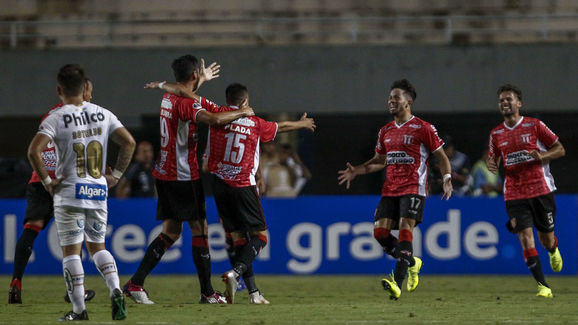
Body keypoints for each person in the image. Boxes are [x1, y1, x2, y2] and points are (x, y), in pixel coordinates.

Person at [147, 81, 315, 304]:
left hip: (219, 186)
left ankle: (254, 293)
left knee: (238, 238)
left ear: (228, 100)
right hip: (243, 186)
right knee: (260, 237)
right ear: (245, 101)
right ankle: (235, 273)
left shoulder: (216, 112)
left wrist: (163, 85)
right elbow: (280, 126)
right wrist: (301, 124)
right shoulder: (255, 123)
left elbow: (186, 93)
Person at [122, 55, 254, 305]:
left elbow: (187, 94)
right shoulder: (186, 103)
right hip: (183, 175)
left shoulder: (169, 97)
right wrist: (241, 112)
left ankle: (135, 283)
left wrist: (199, 81)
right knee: (200, 231)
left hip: (165, 172)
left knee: (170, 232)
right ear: (193, 75)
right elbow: (214, 120)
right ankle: (207, 292)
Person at [27, 64, 135, 320]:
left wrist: (46, 182)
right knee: (98, 246)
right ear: (85, 88)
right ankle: (116, 289)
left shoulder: (56, 117)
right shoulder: (103, 114)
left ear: (59, 89)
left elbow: (34, 151)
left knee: (71, 251)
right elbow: (129, 142)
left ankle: (79, 310)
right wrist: (116, 177)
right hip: (98, 189)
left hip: (70, 191)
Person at [338, 79, 452, 301]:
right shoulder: (385, 131)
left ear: (408, 101)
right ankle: (412, 262)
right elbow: (379, 160)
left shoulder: (423, 128)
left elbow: (442, 157)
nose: (391, 101)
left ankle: (396, 283)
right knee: (380, 234)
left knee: (404, 228)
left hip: (414, 187)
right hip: (390, 189)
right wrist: (357, 171)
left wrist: (447, 178)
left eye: (396, 97)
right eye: (390, 98)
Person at [9, 78, 96, 305]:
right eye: (89, 91)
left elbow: (38, 148)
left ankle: (15, 283)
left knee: (32, 230)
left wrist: (45, 177)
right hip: (64, 182)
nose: (91, 96)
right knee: (73, 237)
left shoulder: (51, 114)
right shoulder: (82, 116)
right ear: (80, 91)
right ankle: (75, 291)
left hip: (40, 179)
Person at [486, 84, 565, 298]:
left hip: (541, 190)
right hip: (514, 193)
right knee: (525, 238)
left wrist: (543, 156)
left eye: (509, 99)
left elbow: (560, 149)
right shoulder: (496, 133)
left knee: (545, 239)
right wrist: (491, 163)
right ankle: (543, 286)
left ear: (519, 103)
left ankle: (553, 248)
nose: (505, 103)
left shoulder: (535, 125)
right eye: (501, 100)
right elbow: (492, 157)